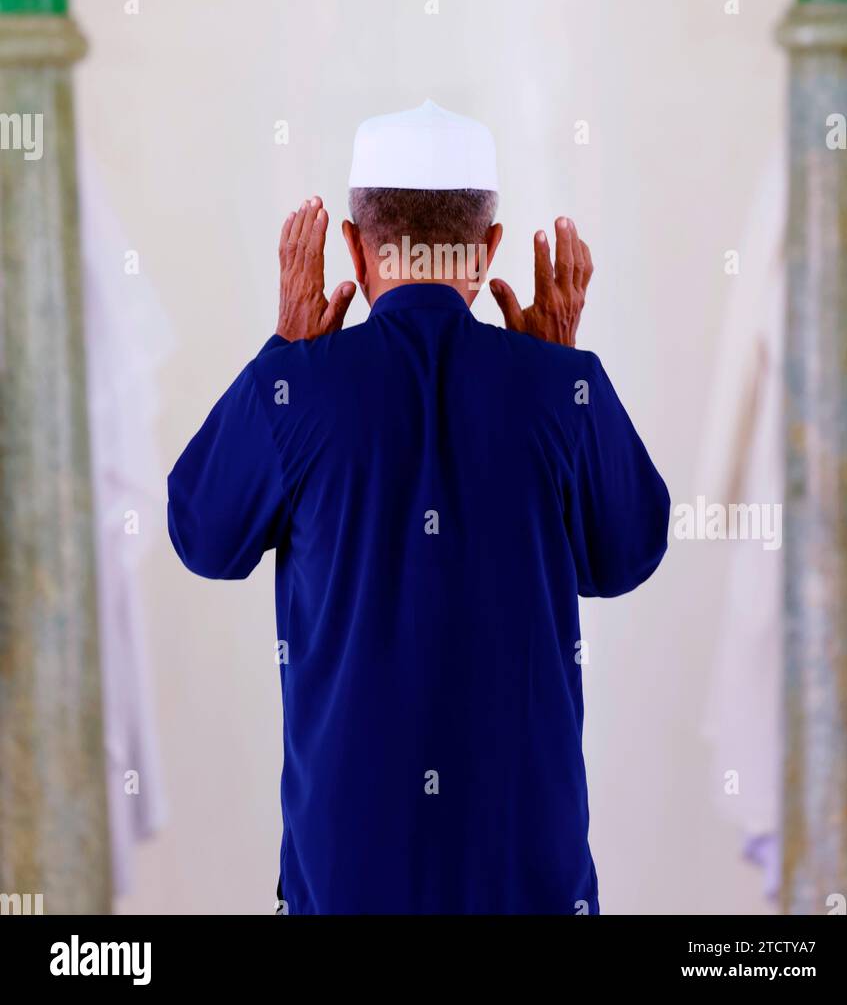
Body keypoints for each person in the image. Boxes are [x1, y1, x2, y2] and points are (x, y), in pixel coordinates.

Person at [167, 100, 670, 915]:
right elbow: (629, 554)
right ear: (489, 253)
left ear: (356, 249)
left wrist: (281, 354)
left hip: (346, 883)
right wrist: (565, 371)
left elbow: (202, 536)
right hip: (528, 882)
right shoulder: (560, 390)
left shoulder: (296, 390)